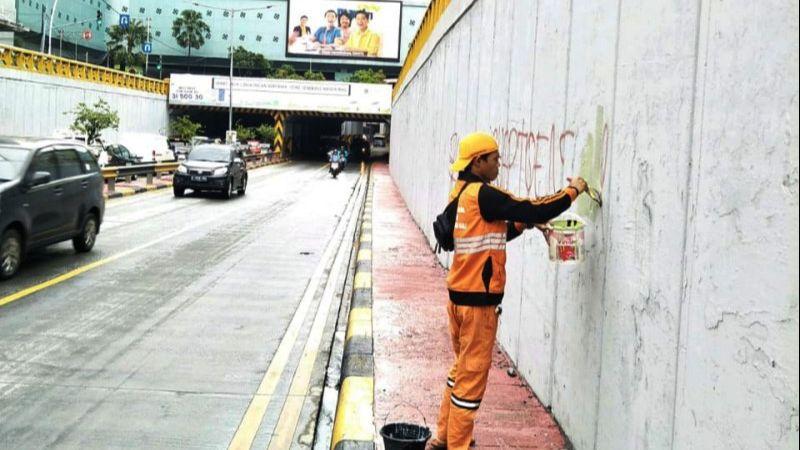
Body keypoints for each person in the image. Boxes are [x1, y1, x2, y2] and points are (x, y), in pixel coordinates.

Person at [426, 132, 588, 450]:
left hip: (459, 298)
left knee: (460, 371)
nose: (500, 163)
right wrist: (573, 191)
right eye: (495, 158)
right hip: (477, 305)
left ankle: (442, 437)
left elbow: (484, 237)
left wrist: (517, 227)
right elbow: (532, 208)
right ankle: (457, 445)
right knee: (470, 383)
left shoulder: (459, 192)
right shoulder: (483, 195)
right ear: (479, 162)